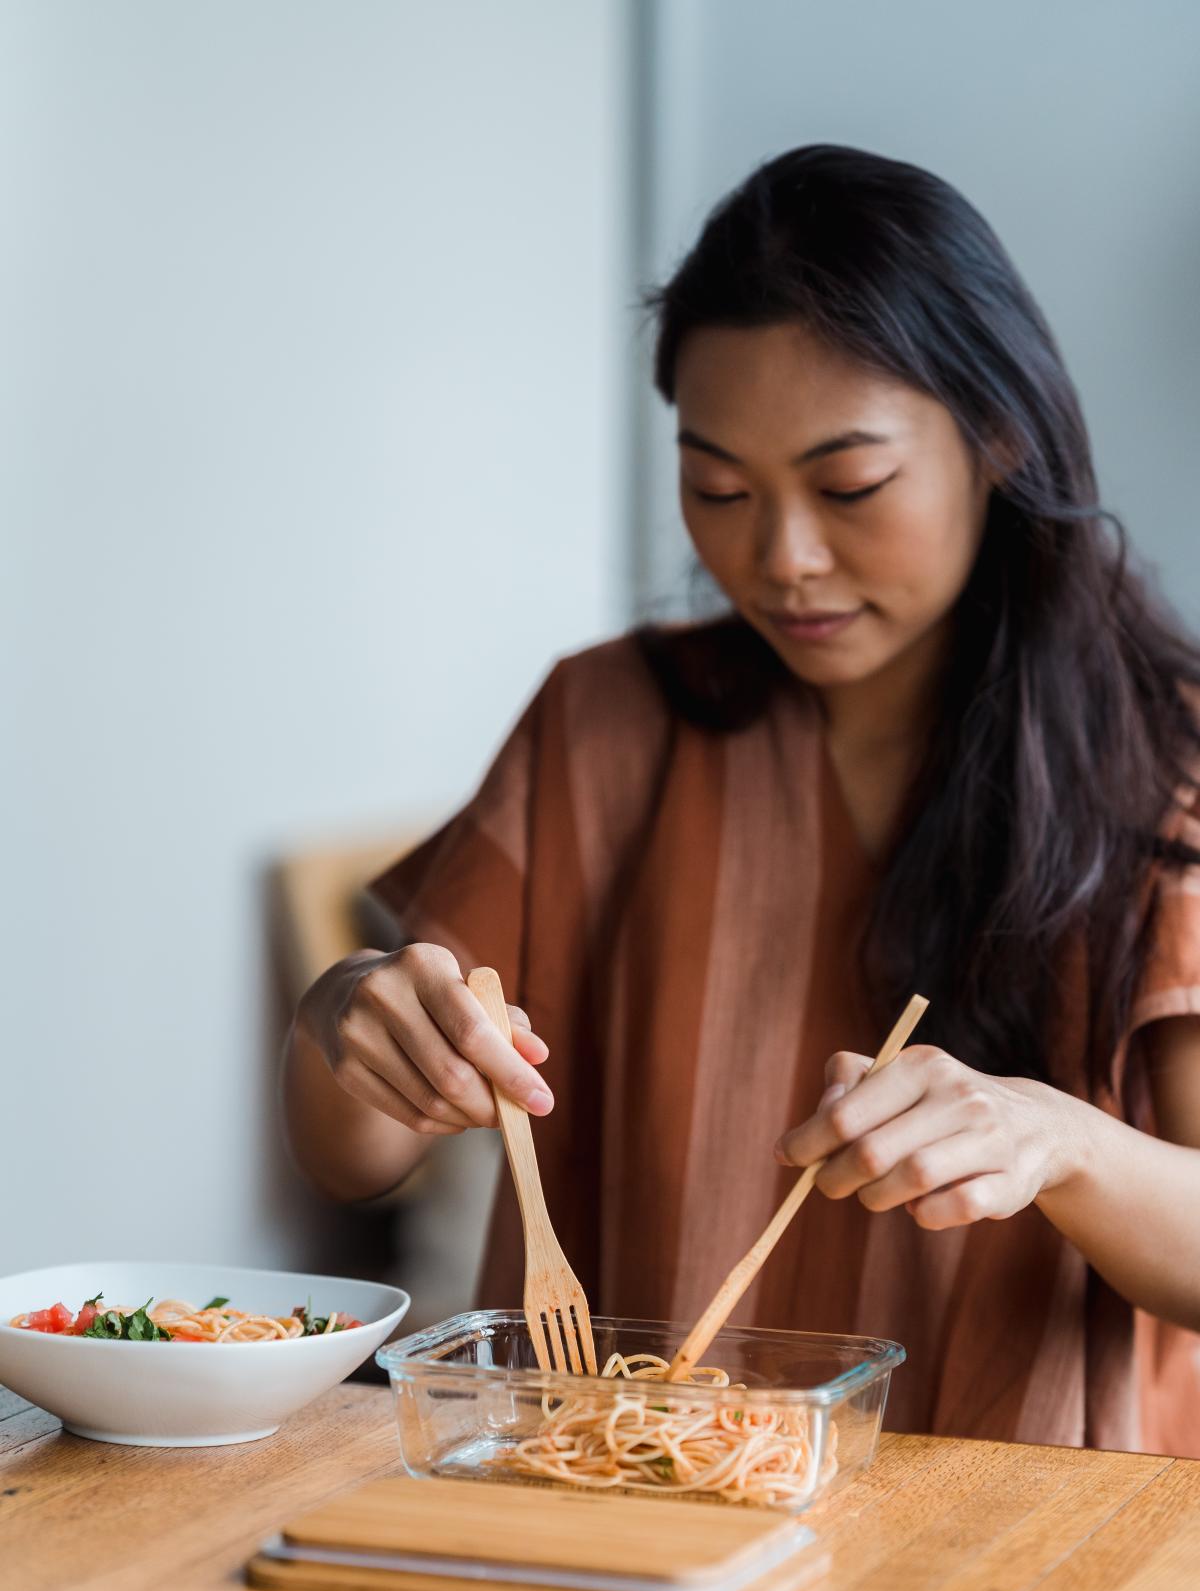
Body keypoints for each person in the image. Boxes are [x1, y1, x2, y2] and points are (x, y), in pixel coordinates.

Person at [283, 145, 1200, 1453]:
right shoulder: (603, 725)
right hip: (629, 1497)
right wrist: (345, 1017)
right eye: (717, 489)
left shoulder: (1166, 755)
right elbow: (353, 1157)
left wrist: (1060, 1142)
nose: (782, 559)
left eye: (849, 488)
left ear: (998, 437)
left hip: (1020, 1547)